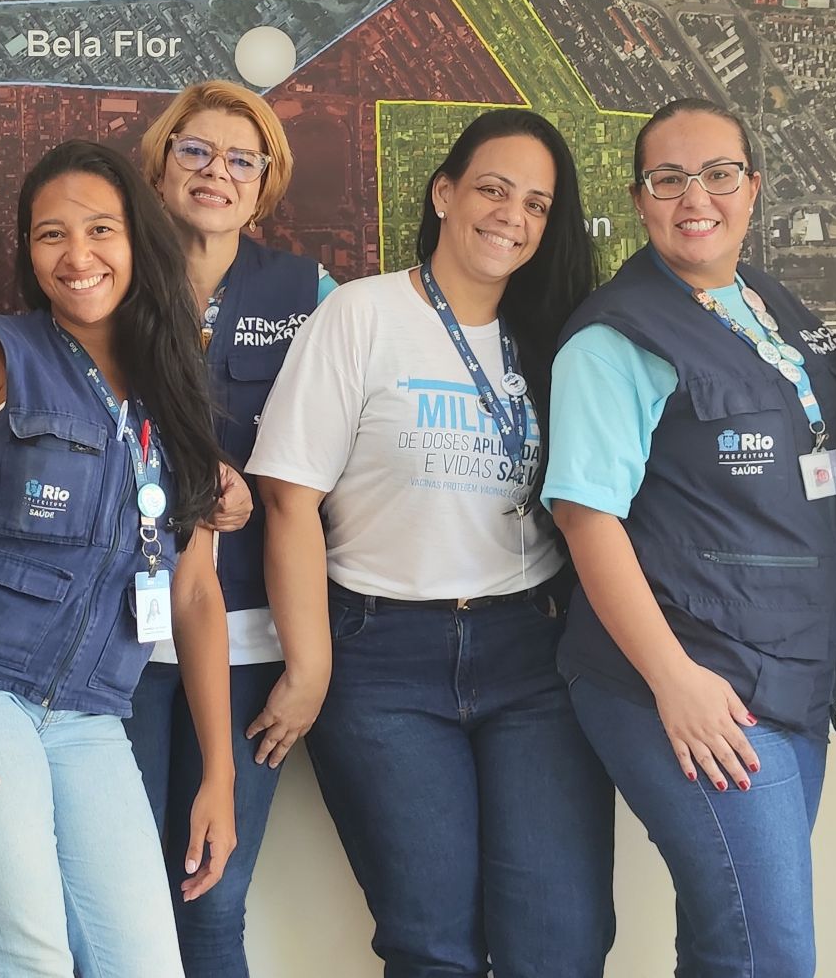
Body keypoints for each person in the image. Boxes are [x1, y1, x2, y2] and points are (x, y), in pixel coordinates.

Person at [248, 108, 614, 977]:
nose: (511, 216)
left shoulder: (562, 338)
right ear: (445, 193)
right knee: (430, 946)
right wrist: (309, 667)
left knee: (561, 940)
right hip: (383, 660)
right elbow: (289, 499)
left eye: (536, 203)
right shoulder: (361, 316)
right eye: (492, 188)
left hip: (534, 653)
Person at [0, 140, 236, 978]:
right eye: (49, 234)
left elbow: (196, 595)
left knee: (145, 966)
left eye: (100, 229)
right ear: (27, 254)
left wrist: (219, 772)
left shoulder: (173, 382)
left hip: (91, 714)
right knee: (29, 958)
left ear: (139, 239)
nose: (77, 255)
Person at [543, 98, 836, 978]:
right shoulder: (612, 340)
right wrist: (673, 678)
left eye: (718, 174)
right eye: (668, 179)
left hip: (790, 679)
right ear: (639, 199)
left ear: (753, 188)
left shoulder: (775, 306)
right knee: (768, 954)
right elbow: (585, 517)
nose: (695, 197)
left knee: (733, 945)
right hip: (685, 679)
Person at [127, 80, 336, 977]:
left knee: (211, 898)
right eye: (196, 150)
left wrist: (309, 658)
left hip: (252, 639)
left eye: (241, 160)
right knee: (122, 893)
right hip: (120, 640)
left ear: (265, 185)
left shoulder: (309, 292)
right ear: (161, 162)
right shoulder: (108, 272)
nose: (217, 172)